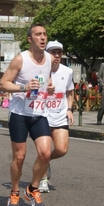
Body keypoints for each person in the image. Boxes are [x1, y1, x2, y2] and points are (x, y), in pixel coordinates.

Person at [0, 24, 55, 206]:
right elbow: (3, 84)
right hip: (19, 114)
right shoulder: (20, 60)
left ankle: (32, 188)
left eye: (45, 34)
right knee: (19, 157)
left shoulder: (50, 59)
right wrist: (24, 88)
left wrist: (49, 87)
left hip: (39, 113)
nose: (42, 37)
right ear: (30, 39)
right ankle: (15, 192)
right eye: (38, 34)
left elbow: (46, 79)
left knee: (45, 153)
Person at [38, 41, 74, 193]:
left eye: (59, 52)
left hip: (60, 116)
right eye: (54, 52)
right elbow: (32, 93)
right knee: (44, 152)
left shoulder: (67, 72)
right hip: (42, 116)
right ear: (47, 54)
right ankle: (43, 179)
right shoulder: (39, 71)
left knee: (61, 150)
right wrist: (45, 89)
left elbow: (70, 92)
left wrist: (70, 109)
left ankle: (47, 162)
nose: (57, 55)